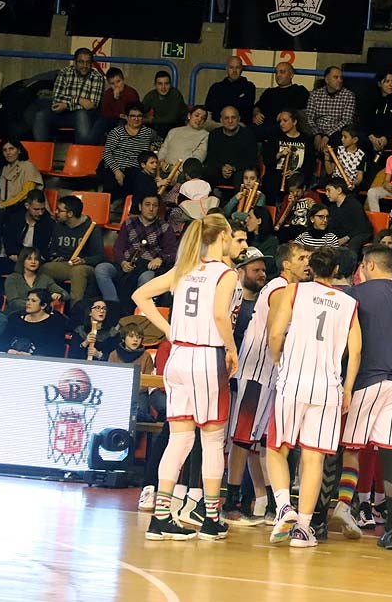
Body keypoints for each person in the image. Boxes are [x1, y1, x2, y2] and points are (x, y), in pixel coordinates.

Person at [132, 213, 240, 541]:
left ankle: (161, 517)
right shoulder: (225, 273)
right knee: (212, 440)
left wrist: (169, 330)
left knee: (179, 439)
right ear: (222, 236)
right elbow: (220, 314)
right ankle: (211, 519)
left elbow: (140, 296)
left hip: (177, 356)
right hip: (206, 356)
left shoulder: (184, 268)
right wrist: (231, 349)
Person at [266, 246, 361, 547]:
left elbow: (275, 334)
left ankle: (284, 507)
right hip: (327, 386)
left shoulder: (294, 291)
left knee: (277, 448)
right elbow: (356, 350)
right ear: (336, 271)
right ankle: (303, 529)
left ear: (312, 268)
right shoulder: (348, 303)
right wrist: (347, 388)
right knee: (314, 458)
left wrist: (278, 358)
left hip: (293, 380)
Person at [335, 244, 392, 550]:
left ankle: (343, 505)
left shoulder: (355, 295)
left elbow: (347, 345)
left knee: (351, 448)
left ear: (369, 265)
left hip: (365, 379)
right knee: (390, 455)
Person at [225, 242, 309, 528]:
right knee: (242, 438)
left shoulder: (290, 289)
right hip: (257, 371)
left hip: (270, 374)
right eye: (301, 257)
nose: (307, 262)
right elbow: (276, 330)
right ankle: (231, 502)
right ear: (287, 264)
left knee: (261, 441)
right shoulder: (279, 288)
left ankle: (268, 502)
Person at [95, 194, 178, 310]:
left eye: (154, 205)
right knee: (102, 269)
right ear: (140, 207)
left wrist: (160, 259)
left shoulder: (165, 227)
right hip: (126, 265)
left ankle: (136, 310)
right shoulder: (129, 223)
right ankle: (113, 305)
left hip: (147, 267)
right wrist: (123, 262)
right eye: (147, 205)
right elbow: (118, 248)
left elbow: (172, 253)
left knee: (147, 278)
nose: (151, 209)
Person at [32, 48, 105, 145]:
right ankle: (42, 151)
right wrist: (79, 100)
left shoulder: (97, 77)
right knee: (41, 116)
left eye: (88, 62)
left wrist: (66, 105)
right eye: (81, 62)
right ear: (75, 62)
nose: (85, 66)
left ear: (91, 64)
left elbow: (90, 105)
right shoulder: (64, 73)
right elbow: (57, 98)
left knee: (81, 114)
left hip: (85, 115)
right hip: (61, 113)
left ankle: (82, 149)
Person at [42, 194, 105, 303]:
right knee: (45, 268)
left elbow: (100, 256)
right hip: (66, 264)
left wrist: (83, 260)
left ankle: (76, 308)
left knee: (77, 271)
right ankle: (54, 299)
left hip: (85, 267)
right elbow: (53, 249)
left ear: (70, 214)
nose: (56, 212)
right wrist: (55, 257)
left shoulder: (92, 229)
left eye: (59, 210)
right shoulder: (58, 226)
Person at [100, 102, 162, 199]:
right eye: (132, 116)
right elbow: (107, 153)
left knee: (138, 181)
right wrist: (117, 171)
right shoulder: (117, 132)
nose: (136, 119)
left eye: (139, 116)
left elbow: (159, 141)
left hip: (135, 169)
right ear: (127, 117)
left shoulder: (148, 133)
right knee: (111, 184)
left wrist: (153, 146)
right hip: (114, 167)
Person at [2, 288, 68, 357]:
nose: (28, 303)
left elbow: (55, 350)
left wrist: (32, 356)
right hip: (11, 357)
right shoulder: (15, 318)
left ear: (43, 305)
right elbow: (3, 341)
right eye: (28, 300)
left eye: (33, 301)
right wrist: (8, 350)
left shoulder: (55, 322)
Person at [252, 62, 311, 140]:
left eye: (282, 72)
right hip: (265, 125)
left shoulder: (299, 91)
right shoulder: (269, 92)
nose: (278, 75)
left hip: (284, 127)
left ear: (291, 75)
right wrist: (256, 113)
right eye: (276, 72)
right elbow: (257, 106)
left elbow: (302, 111)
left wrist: (285, 113)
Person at [261, 109, 311, 198]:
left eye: (285, 120)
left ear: (294, 122)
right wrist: (279, 154)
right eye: (280, 121)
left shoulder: (305, 139)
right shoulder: (275, 138)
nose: (281, 124)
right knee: (271, 182)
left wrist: (296, 173)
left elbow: (310, 164)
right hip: (276, 177)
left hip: (296, 178)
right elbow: (267, 160)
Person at [361, 71, 392, 168]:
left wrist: (386, 138)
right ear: (379, 84)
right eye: (387, 81)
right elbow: (364, 121)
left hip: (390, 137)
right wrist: (372, 137)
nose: (391, 84)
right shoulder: (369, 99)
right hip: (371, 136)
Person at [307, 66, 356, 154]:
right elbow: (309, 117)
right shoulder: (315, 95)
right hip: (317, 129)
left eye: (341, 78)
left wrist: (327, 135)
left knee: (339, 139)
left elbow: (346, 120)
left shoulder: (348, 95)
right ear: (327, 80)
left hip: (336, 131)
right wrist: (317, 134)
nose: (340, 80)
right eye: (336, 77)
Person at [207, 106, 258, 184]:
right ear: (221, 120)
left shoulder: (248, 135)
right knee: (207, 172)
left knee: (242, 176)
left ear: (239, 119)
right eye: (226, 118)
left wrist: (233, 168)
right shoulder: (214, 134)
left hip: (239, 170)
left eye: (233, 117)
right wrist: (222, 168)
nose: (230, 121)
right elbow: (211, 157)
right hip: (220, 170)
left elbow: (251, 159)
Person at [325, 177, 372, 251]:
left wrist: (345, 238)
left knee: (354, 243)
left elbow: (362, 226)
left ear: (339, 190)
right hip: (345, 233)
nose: (326, 193)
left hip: (360, 233)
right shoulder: (332, 207)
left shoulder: (353, 204)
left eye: (329, 190)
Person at [94, 67, 140, 142]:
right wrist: (118, 115)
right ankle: (92, 144)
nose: (116, 85)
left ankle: (117, 144)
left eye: (118, 81)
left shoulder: (131, 93)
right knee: (100, 123)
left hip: (126, 120)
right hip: (112, 118)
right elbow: (105, 112)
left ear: (123, 80)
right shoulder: (108, 93)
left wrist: (117, 99)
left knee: (121, 124)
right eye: (112, 83)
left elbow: (132, 112)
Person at [205, 56, 255, 123]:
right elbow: (208, 109)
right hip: (217, 124)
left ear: (241, 69)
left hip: (239, 125)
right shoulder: (216, 87)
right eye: (231, 67)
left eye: (237, 67)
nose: (234, 71)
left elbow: (246, 110)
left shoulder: (249, 87)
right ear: (226, 69)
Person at [0, 140, 43, 211]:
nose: (8, 153)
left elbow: (26, 193)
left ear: (19, 150)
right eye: (5, 150)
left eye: (11, 149)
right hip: (7, 207)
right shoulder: (5, 168)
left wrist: (3, 205)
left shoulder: (28, 166)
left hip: (24, 207)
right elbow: (2, 195)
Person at [157, 105, 209, 170]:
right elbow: (163, 150)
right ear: (189, 116)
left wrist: (178, 170)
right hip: (163, 169)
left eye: (203, 118)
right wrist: (162, 163)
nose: (199, 119)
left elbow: (198, 158)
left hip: (184, 172)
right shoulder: (173, 131)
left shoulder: (205, 135)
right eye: (197, 115)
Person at [142, 70, 188, 137]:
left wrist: (150, 120)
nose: (163, 87)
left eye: (166, 84)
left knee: (162, 128)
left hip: (177, 124)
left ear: (170, 85)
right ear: (155, 85)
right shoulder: (151, 95)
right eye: (160, 84)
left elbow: (172, 119)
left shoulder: (175, 94)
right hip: (160, 124)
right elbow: (141, 109)